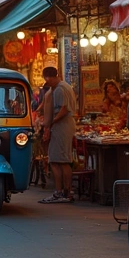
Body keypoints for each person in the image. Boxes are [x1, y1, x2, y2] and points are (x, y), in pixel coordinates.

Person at [39, 67, 78, 204]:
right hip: (62, 126)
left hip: (62, 126)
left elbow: (64, 109)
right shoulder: (58, 88)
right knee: (59, 160)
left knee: (59, 160)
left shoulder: (60, 89)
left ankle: (63, 192)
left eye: (48, 78)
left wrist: (51, 123)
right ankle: (63, 191)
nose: (47, 81)